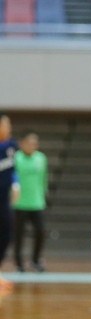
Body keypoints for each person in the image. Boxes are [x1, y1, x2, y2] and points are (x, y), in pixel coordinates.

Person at [13, 129, 48, 273]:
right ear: (22, 143)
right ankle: (19, 263)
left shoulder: (41, 158)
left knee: (41, 231)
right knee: (18, 235)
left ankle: (35, 260)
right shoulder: (16, 158)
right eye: (30, 142)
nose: (33, 145)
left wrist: (43, 195)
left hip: (36, 203)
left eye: (35, 142)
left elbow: (43, 179)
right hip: (19, 204)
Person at [0, 113, 19, 292]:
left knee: (6, 235)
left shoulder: (12, 146)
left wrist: (16, 184)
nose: (9, 127)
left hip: (4, 199)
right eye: (6, 124)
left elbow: (14, 169)